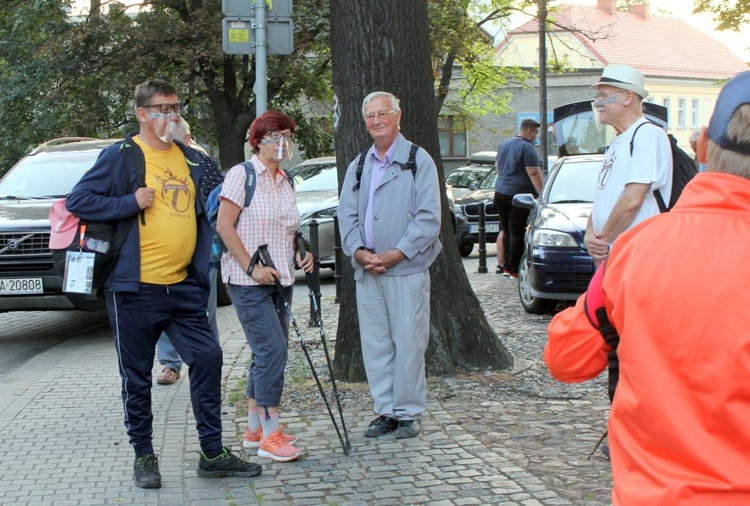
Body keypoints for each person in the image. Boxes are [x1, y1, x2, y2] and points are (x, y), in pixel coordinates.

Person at [544, 70, 750, 505]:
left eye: (605, 95)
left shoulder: (636, 248)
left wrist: (609, 262)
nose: (598, 103)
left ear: (702, 146)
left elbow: (566, 360)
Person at [66, 79, 260, 489]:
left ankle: (212, 453)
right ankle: (144, 456)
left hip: (184, 285)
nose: (171, 115)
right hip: (133, 289)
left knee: (207, 358)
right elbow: (78, 200)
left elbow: (227, 200)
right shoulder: (121, 156)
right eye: (162, 109)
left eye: (175, 108)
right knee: (136, 377)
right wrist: (128, 203)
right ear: (142, 114)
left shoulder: (192, 159)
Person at [338, 91, 442, 439]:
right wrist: (358, 251)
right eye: (370, 116)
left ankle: (409, 413)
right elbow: (346, 215)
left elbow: (429, 218)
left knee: (409, 342)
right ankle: (384, 411)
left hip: (406, 269)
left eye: (383, 113)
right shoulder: (359, 164)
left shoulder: (418, 159)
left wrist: (398, 252)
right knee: (376, 344)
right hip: (367, 271)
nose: (377, 121)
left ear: (399, 116)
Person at [216, 110, 313, 462]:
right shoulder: (242, 175)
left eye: (287, 136)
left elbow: (287, 229)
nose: (282, 143)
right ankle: (271, 436)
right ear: (257, 141)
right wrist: (252, 267)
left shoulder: (286, 179)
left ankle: (255, 428)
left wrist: (302, 251)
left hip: (282, 278)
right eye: (274, 137)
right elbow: (225, 227)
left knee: (266, 353)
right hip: (247, 281)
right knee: (273, 352)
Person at [155, 118, 223, 386]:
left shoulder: (202, 163)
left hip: (202, 251)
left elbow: (219, 203)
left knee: (205, 310)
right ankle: (170, 364)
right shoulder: (156, 166)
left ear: (185, 139)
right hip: (166, 252)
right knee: (165, 309)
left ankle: (209, 362)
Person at [584, 63, 673, 267]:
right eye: (597, 97)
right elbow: (604, 197)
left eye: (603, 96)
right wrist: (590, 233)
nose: (597, 103)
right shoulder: (618, 141)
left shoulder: (647, 135)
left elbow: (633, 198)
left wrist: (603, 240)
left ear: (627, 97)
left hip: (636, 257)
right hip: (614, 257)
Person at [493, 118, 543, 278]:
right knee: (517, 233)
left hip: (500, 192)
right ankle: (515, 270)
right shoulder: (527, 148)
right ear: (528, 131)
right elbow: (534, 172)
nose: (536, 135)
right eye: (535, 132)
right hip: (518, 196)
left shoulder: (504, 144)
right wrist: (543, 193)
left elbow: (497, 167)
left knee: (506, 231)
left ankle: (506, 267)